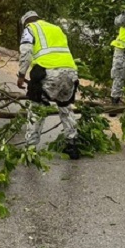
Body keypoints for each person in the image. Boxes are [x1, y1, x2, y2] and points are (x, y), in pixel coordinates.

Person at [16, 11, 80, 159]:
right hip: (70, 73)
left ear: (26, 22)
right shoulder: (56, 28)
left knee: (37, 110)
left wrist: (21, 75)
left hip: (49, 73)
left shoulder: (30, 29)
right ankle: (72, 145)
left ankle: (30, 149)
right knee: (65, 108)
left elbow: (25, 53)